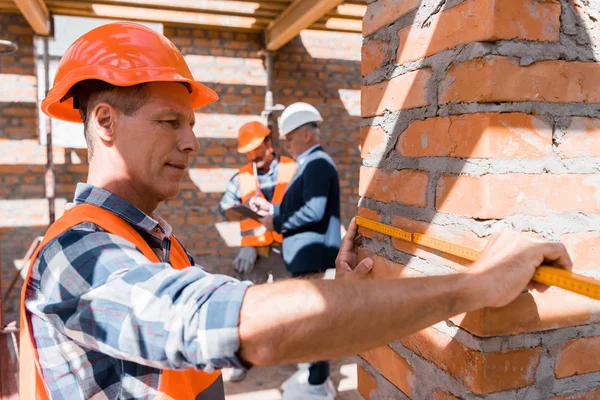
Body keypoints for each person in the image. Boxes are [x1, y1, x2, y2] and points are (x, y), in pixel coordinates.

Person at [20, 22, 572, 400]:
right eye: (170, 122)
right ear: (105, 122)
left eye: (190, 123)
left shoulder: (151, 241)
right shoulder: (80, 253)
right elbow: (249, 328)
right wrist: (476, 285)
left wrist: (347, 299)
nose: (191, 141)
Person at [249, 102, 342, 398]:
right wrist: (272, 208)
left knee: (312, 320)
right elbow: (301, 206)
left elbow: (314, 212)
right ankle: (314, 375)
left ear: (305, 134)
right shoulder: (311, 164)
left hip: (311, 256)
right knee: (309, 318)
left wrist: (275, 220)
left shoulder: (317, 164)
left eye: (289, 137)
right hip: (306, 256)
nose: (285, 144)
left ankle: (317, 383)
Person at [218, 121, 295, 382]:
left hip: (288, 250)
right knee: (245, 306)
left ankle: (295, 354)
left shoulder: (292, 168)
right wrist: (237, 210)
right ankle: (244, 358)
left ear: (269, 143)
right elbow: (225, 207)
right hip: (255, 253)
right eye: (248, 151)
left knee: (291, 304)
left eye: (256, 149)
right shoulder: (240, 177)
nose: (252, 155)